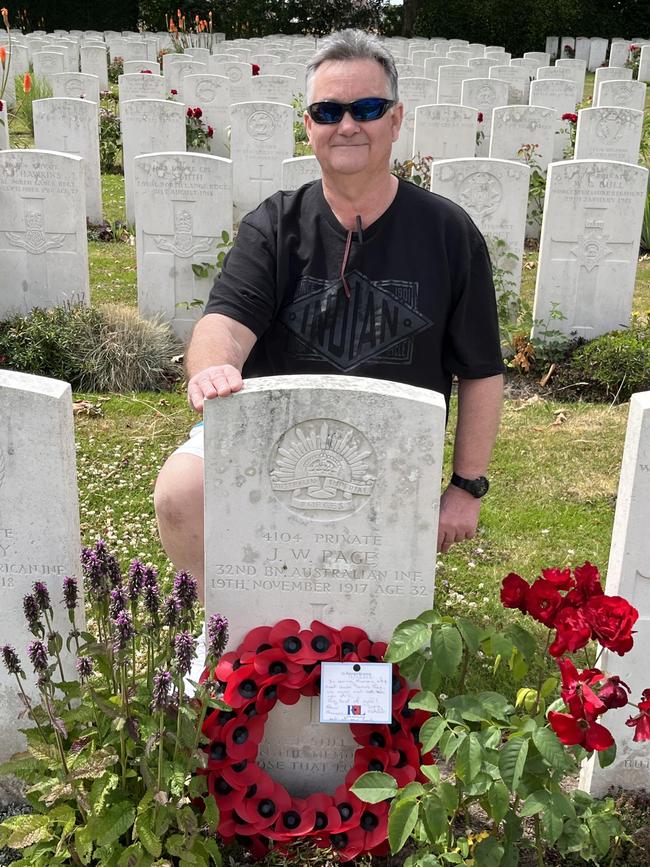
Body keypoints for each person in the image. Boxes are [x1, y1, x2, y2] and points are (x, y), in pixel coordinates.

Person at [154, 29, 504, 597]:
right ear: (309, 124)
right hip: (272, 438)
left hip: (391, 450)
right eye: (328, 110)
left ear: (395, 119)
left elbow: (481, 369)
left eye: (367, 108)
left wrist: (466, 486)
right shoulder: (274, 225)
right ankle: (219, 632)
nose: (348, 124)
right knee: (181, 490)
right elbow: (223, 322)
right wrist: (212, 366)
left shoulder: (448, 232)